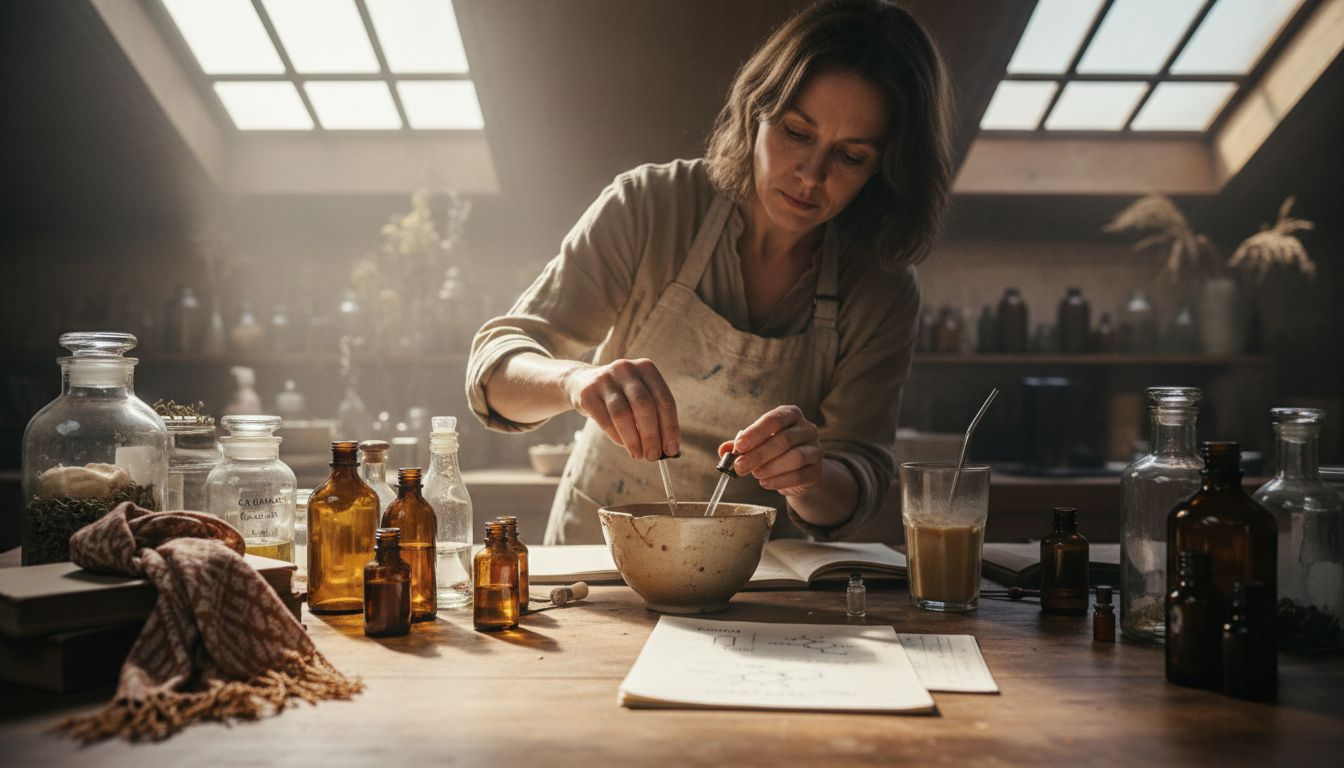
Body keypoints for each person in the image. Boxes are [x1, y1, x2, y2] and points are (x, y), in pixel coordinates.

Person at [466, 0, 952, 544]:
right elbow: (495, 372)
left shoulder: (881, 287)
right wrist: (574, 381)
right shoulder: (650, 207)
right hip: (597, 563)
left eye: (851, 156)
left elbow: (859, 475)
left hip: (757, 581)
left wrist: (810, 477)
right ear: (755, 110)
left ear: (886, 170)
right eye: (796, 132)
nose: (812, 176)